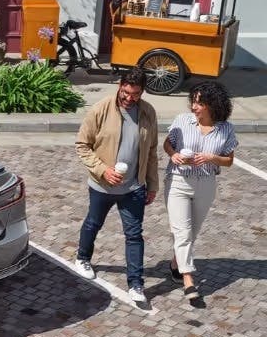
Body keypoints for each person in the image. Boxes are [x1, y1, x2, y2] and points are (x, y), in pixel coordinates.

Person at [73, 67, 160, 308]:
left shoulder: (148, 112)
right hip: (102, 185)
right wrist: (103, 170)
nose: (130, 98)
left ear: (142, 92)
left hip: (133, 187)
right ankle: (83, 258)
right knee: (93, 223)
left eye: (136, 94)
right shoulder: (101, 108)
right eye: (126, 92)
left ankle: (136, 284)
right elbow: (82, 145)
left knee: (134, 235)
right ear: (120, 85)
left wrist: (152, 184)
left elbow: (151, 151)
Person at [163, 81, 238, 307]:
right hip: (178, 180)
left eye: (199, 103)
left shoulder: (226, 129)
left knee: (192, 232)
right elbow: (168, 144)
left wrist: (211, 157)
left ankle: (176, 265)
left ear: (212, 105)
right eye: (193, 101)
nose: (194, 106)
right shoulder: (182, 121)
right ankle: (189, 281)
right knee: (182, 232)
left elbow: (229, 161)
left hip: (206, 183)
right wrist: (174, 155)